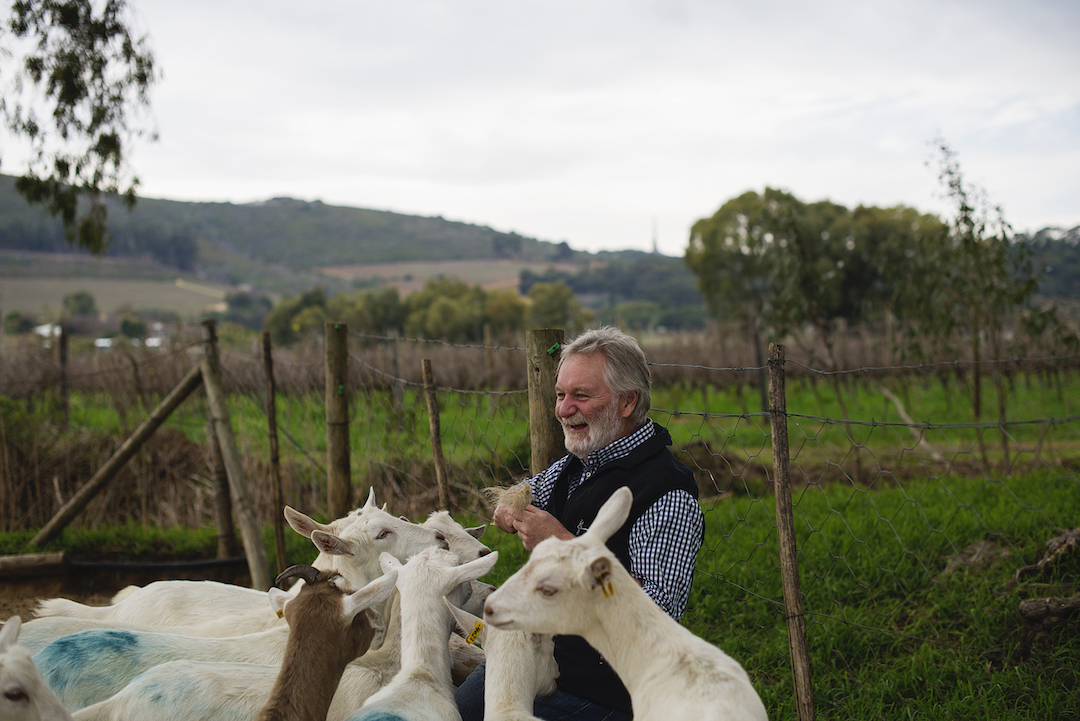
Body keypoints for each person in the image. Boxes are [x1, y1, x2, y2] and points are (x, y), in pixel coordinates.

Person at [455, 326, 704, 721]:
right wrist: (507, 507)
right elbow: (522, 493)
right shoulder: (580, 463)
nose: (563, 409)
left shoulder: (666, 492)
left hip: (603, 691)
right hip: (533, 663)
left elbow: (655, 615)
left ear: (627, 402)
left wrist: (565, 546)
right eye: (560, 394)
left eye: (581, 396)